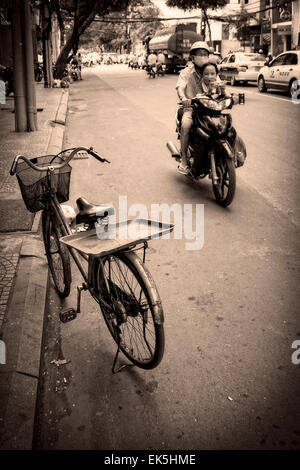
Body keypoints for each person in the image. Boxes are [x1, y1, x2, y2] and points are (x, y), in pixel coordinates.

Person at [176, 41, 217, 174]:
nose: (203, 57)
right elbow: (180, 87)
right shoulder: (186, 72)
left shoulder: (210, 70)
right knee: (186, 125)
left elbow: (219, 84)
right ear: (193, 58)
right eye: (199, 54)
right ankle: (183, 160)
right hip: (191, 108)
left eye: (205, 54)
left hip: (210, 107)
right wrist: (184, 98)